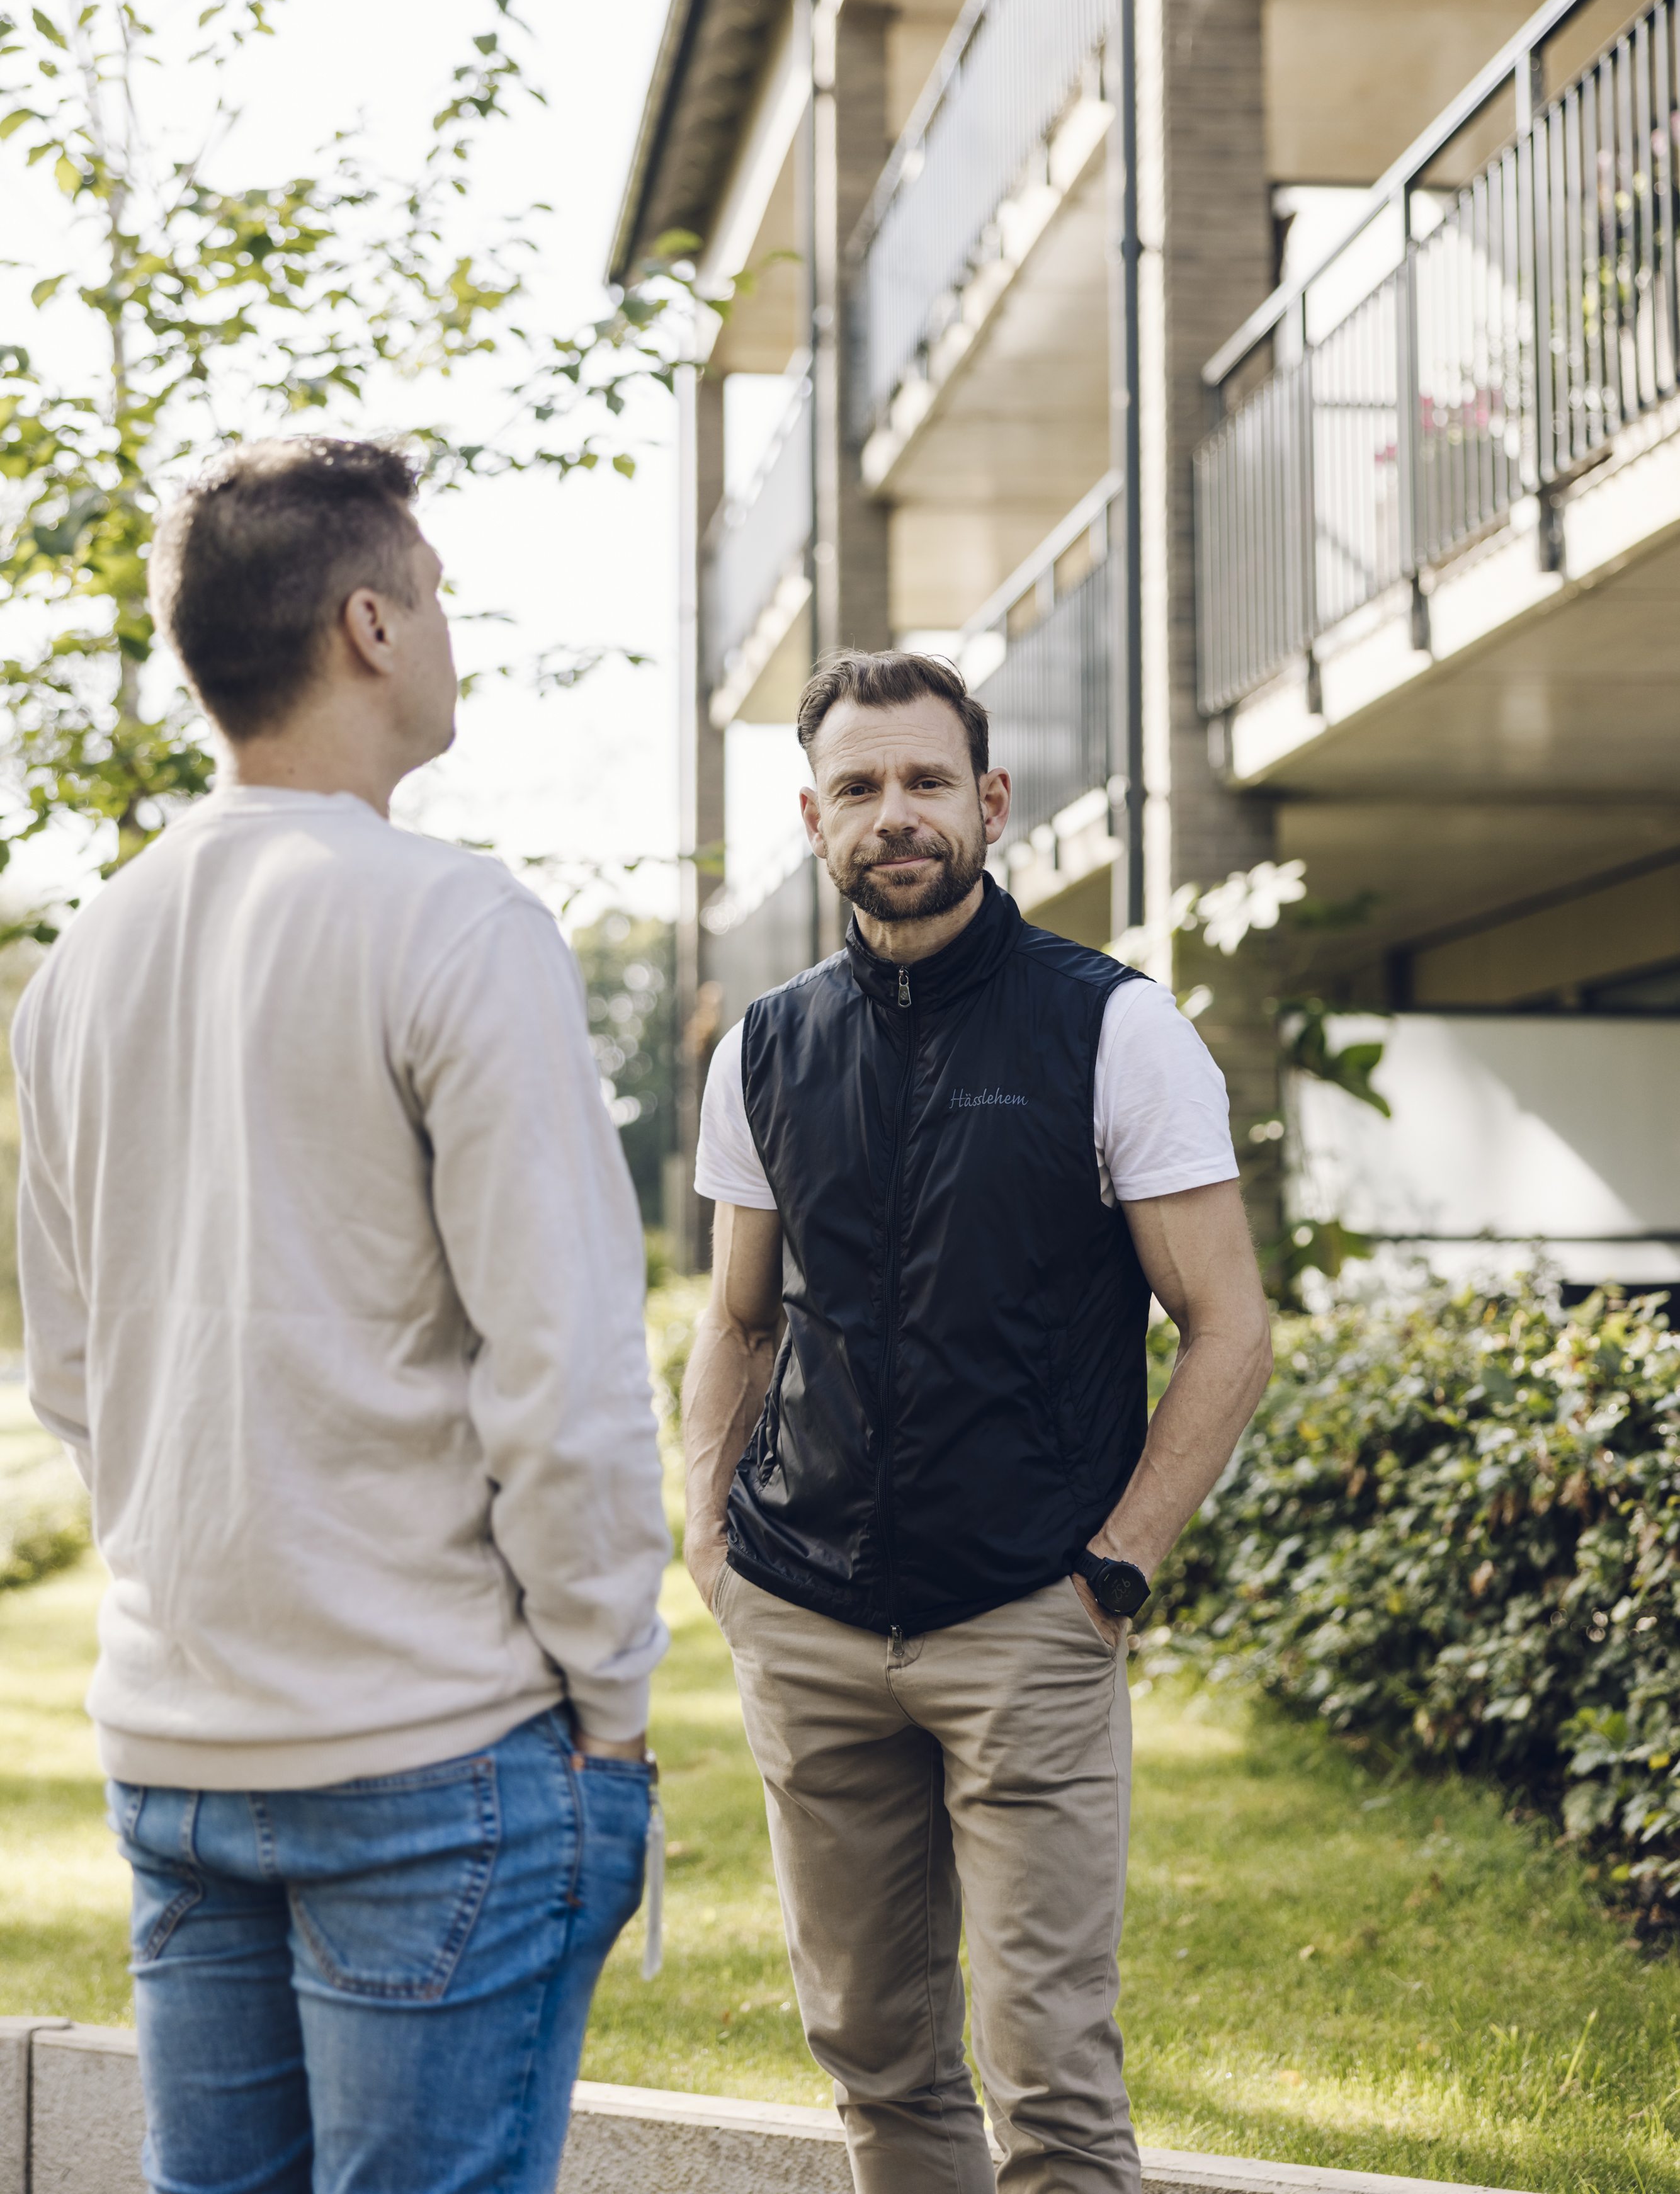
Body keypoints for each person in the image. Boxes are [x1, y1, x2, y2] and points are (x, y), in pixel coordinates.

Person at [15, 437, 669, 2194]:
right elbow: (567, 1368)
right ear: (368, 625)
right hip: (431, 1750)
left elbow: (73, 1374)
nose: (452, 627)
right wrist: (609, 1699)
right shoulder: (457, 924)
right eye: (439, 594)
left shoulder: (87, 956)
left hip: (177, 1747)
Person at [684, 648, 1274, 2194]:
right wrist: (710, 1538)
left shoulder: (1112, 1028)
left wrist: (1118, 1564)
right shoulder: (762, 1046)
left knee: (1052, 2078)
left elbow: (1227, 1325)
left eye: (925, 781)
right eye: (860, 787)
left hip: (1028, 1609)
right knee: (874, 2058)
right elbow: (739, 1315)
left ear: (989, 801)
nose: (896, 814)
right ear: (812, 816)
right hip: (803, 1610)